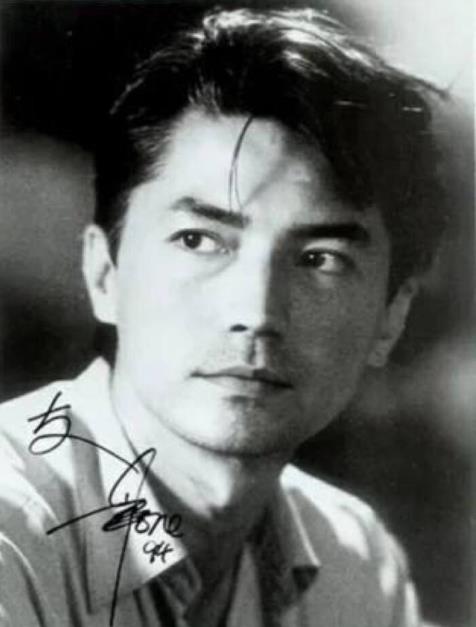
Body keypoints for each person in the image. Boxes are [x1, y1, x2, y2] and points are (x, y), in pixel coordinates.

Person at [0, 7, 446, 627]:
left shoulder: (355, 560)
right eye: (199, 240)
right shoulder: (13, 527)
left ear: (392, 317)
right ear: (105, 274)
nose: (255, 312)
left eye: (321, 259)